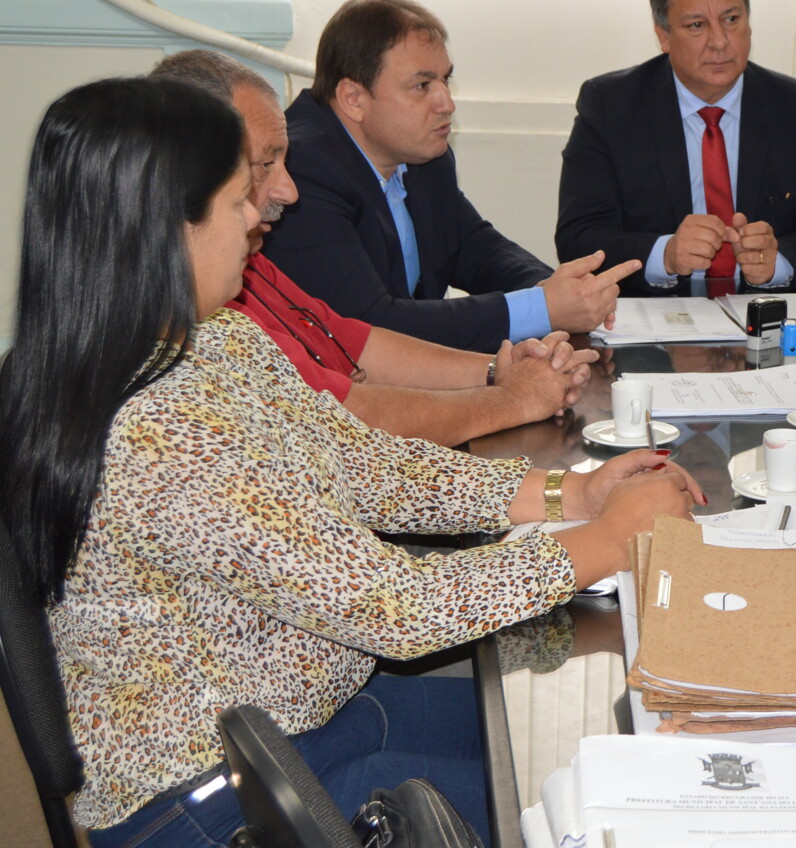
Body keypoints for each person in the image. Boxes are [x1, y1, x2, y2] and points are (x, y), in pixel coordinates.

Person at [0, 77, 701, 847]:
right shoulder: (154, 429)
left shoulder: (216, 337)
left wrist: (572, 492)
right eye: (237, 200)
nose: (258, 217)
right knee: (602, 809)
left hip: (305, 721)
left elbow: (363, 465)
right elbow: (394, 607)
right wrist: (608, 540)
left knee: (590, 748)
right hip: (221, 799)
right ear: (162, 226)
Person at [152, 49, 594, 448]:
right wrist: (512, 400)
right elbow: (341, 423)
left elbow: (353, 339)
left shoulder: (248, 264)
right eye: (265, 164)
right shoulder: (201, 320)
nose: (289, 190)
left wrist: (500, 370)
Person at [265, 0, 634, 352]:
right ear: (353, 99)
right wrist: (541, 309)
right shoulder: (300, 169)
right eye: (422, 85)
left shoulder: (423, 156)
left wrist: (557, 288)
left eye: (445, 80)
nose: (447, 103)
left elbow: (472, 246)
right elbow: (370, 325)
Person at [555, 0, 796, 296]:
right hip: (656, 315)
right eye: (697, 25)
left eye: (731, 19)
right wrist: (665, 254)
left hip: (765, 311)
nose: (720, 42)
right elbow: (578, 237)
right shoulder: (609, 106)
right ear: (664, 36)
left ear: (749, 23)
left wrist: (778, 262)